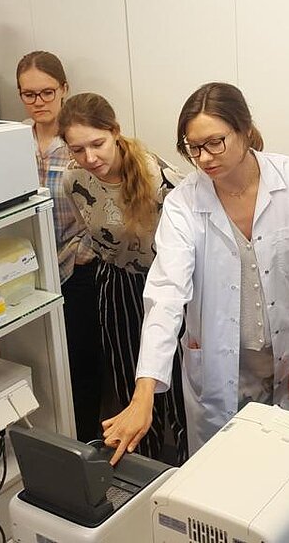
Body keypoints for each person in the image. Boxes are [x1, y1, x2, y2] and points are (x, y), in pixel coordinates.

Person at [102, 82, 289, 464]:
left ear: (245, 130)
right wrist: (144, 391)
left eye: (215, 142)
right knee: (224, 476)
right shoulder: (184, 204)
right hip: (218, 364)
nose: (204, 158)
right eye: (193, 147)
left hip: (285, 356)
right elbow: (166, 295)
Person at [58, 92, 188, 463]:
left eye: (97, 144)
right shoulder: (73, 178)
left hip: (168, 289)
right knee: (128, 379)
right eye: (78, 149)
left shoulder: (161, 180)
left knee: (175, 385)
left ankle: (183, 467)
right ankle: (138, 470)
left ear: (114, 132)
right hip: (118, 284)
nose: (90, 158)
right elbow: (92, 232)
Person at [16, 50, 102, 441]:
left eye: (47, 93)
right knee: (39, 363)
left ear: (64, 90)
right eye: (29, 94)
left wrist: (80, 254)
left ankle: (84, 443)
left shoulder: (79, 144)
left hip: (77, 268)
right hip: (28, 272)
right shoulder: (13, 141)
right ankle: (51, 439)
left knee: (82, 365)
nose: (39, 102)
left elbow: (102, 207)